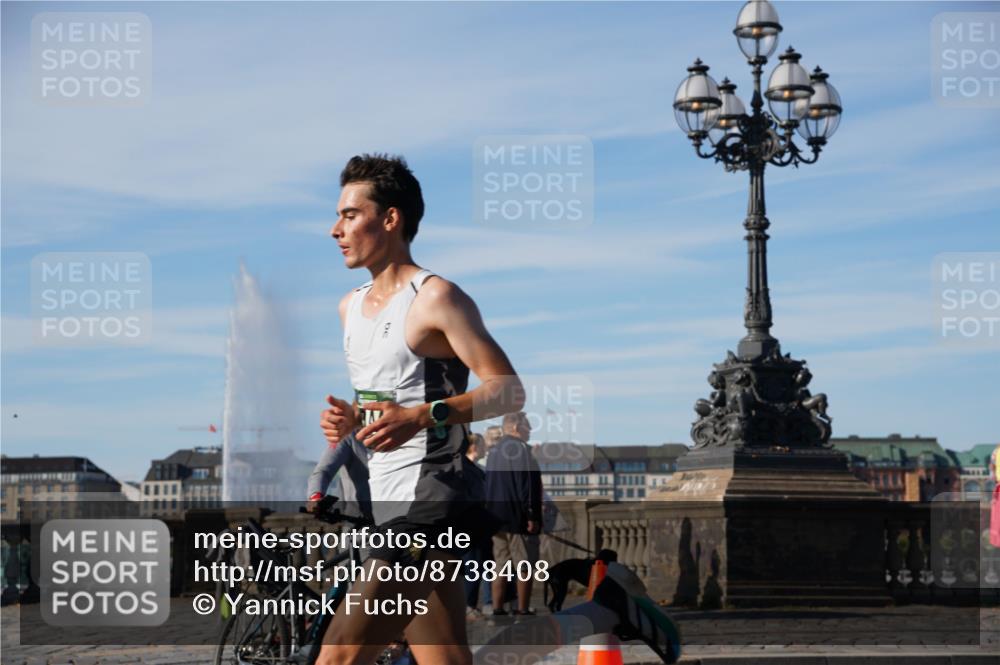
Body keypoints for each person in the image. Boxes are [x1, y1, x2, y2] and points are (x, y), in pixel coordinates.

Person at [317, 154, 524, 665]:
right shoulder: (349, 307)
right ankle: (604, 613)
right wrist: (352, 421)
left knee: (341, 651)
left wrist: (421, 416)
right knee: (445, 658)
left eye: (349, 215)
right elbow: (388, 401)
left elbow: (507, 390)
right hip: (381, 498)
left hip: (430, 497)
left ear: (391, 219)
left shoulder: (436, 297)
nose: (334, 229)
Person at [485, 411, 542, 616]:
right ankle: (522, 608)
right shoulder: (520, 450)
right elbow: (526, 486)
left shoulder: (494, 451)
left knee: (500, 565)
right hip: (517, 518)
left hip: (495, 517)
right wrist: (531, 516)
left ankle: (498, 608)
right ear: (516, 428)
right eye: (527, 426)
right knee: (524, 564)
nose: (530, 430)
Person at [306, 432, 372, 522]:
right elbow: (324, 470)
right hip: (359, 522)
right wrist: (316, 497)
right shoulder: (348, 436)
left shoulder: (396, 432)